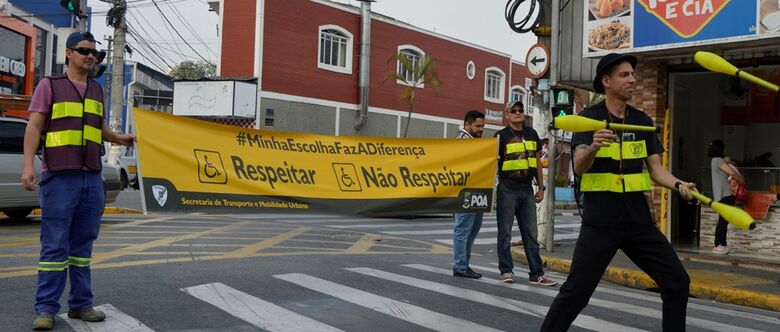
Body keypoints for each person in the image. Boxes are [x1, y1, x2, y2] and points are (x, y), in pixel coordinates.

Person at [541, 53, 695, 332]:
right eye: (624, 75)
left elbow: (657, 170)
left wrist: (679, 184)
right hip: (601, 222)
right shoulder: (589, 118)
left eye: (632, 75)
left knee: (677, 282)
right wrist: (594, 147)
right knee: (576, 292)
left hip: (638, 221)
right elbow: (578, 166)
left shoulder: (642, 120)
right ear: (606, 81)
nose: (632, 80)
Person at [21, 31, 135, 331]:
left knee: (83, 245)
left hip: (90, 177)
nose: (91, 57)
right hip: (59, 177)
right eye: (84, 51)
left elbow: (98, 129)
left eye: (95, 54)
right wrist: (27, 167)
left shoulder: (97, 90)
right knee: (54, 246)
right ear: (69, 53)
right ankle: (46, 309)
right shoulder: (50, 85)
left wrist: (119, 137)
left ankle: (81, 305)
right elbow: (34, 127)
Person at [494, 101, 557, 286]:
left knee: (530, 233)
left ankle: (536, 273)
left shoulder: (532, 134)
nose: (518, 113)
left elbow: (537, 162)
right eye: (513, 111)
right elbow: (491, 162)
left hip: (527, 189)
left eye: (520, 110)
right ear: (507, 115)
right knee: (505, 233)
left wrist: (540, 187)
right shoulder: (500, 136)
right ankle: (506, 271)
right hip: (507, 188)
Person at [452, 110, 486, 279]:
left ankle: (464, 264)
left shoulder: (475, 142)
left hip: (477, 192)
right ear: (467, 125)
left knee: (472, 229)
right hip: (465, 192)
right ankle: (460, 265)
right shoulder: (463, 141)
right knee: (463, 228)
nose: (481, 129)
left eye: (482, 126)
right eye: (477, 126)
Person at [708, 140, 744, 255]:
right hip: (725, 195)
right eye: (724, 148)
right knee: (723, 221)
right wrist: (741, 179)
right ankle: (719, 244)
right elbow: (731, 173)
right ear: (720, 149)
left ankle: (723, 245)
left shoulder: (715, 160)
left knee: (724, 220)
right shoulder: (718, 160)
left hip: (722, 195)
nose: (725, 150)